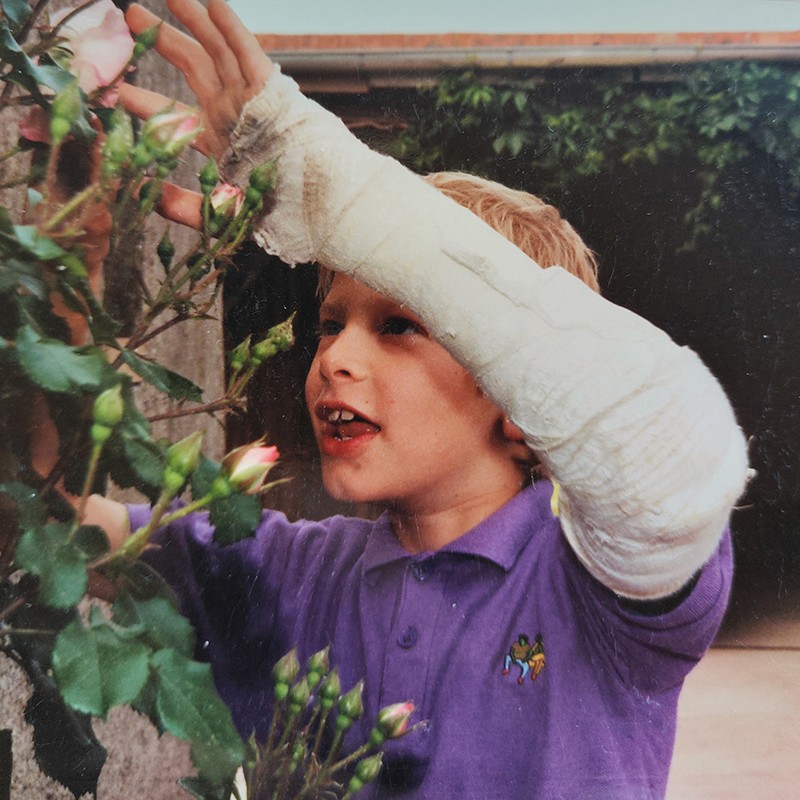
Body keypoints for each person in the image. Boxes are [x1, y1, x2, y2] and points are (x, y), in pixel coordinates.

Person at [99, 0, 750, 797]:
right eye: (330, 324)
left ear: (520, 395)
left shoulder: (597, 594)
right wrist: (70, 275)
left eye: (400, 325)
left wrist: (353, 202)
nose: (335, 357)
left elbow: (670, 455)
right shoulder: (295, 570)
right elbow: (59, 528)